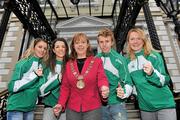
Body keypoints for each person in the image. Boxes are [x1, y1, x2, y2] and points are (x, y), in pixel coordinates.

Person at [53, 32, 109, 120]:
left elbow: (102, 78)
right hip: (72, 108)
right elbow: (65, 87)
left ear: (87, 45)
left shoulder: (97, 61)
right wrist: (60, 104)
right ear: (73, 46)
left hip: (93, 107)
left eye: (83, 42)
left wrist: (104, 87)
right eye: (77, 42)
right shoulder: (68, 64)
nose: (80, 45)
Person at [126, 27, 176, 120]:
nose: (135, 41)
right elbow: (130, 84)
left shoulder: (154, 56)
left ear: (143, 40)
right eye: (132, 39)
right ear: (128, 42)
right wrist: (129, 92)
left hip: (164, 104)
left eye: (138, 38)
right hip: (145, 108)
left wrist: (152, 73)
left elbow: (165, 80)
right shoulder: (127, 61)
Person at [6, 38, 49, 120]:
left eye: (45, 48)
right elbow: (12, 86)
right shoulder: (23, 63)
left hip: (30, 108)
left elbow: (40, 89)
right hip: (16, 107)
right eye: (40, 47)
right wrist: (34, 75)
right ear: (33, 47)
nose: (42, 50)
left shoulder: (42, 66)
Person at [97, 28, 133, 120]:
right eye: (101, 42)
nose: (104, 44)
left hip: (117, 103)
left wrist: (124, 92)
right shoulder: (95, 60)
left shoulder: (120, 59)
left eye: (107, 41)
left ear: (112, 42)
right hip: (100, 105)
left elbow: (128, 82)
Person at [39, 38, 69, 120]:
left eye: (63, 46)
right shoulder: (46, 65)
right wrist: (56, 79)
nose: (61, 49)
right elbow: (41, 90)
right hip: (50, 105)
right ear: (53, 50)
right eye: (57, 47)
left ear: (66, 49)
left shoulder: (71, 65)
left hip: (66, 106)